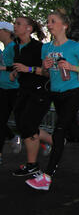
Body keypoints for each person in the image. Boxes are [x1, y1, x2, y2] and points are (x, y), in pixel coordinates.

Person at [25, 9, 79, 191]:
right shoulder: (46, 48)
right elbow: (46, 73)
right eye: (47, 21)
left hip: (72, 93)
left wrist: (71, 67)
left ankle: (47, 177)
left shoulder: (74, 47)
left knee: (60, 131)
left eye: (53, 21)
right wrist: (45, 67)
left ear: (64, 25)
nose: (49, 24)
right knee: (73, 130)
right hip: (56, 94)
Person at [6, 16, 52, 177]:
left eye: (18, 24)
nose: (15, 26)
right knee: (22, 125)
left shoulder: (40, 48)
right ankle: (55, 142)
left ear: (29, 29)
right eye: (15, 24)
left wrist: (29, 69)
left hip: (40, 91)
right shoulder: (17, 48)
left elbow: (48, 72)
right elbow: (20, 68)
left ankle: (32, 165)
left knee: (28, 125)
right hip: (23, 90)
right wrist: (14, 72)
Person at [0, 22, 19, 165]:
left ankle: (47, 141)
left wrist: (4, 68)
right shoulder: (5, 49)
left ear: (6, 31)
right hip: (3, 89)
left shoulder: (13, 47)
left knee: (25, 123)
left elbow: (20, 65)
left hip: (14, 90)